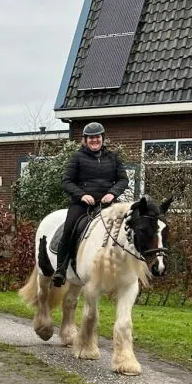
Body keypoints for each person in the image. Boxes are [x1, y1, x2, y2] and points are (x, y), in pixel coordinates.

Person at [51, 121, 130, 287]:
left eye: (97, 137)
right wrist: (81, 195)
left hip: (107, 204)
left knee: (127, 228)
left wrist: (112, 193)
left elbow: (123, 179)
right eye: (91, 138)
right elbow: (66, 181)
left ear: (103, 138)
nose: (95, 140)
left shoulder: (113, 157)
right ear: (85, 140)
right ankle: (61, 269)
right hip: (82, 204)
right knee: (69, 229)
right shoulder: (77, 157)